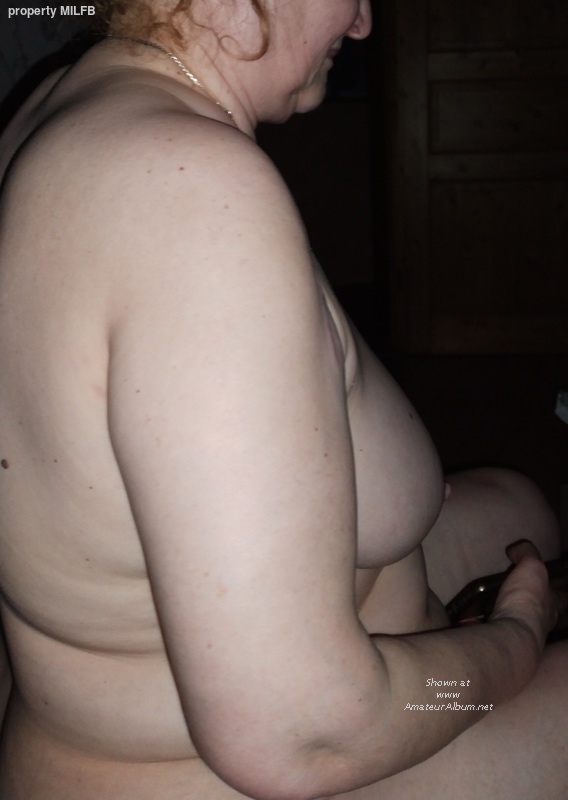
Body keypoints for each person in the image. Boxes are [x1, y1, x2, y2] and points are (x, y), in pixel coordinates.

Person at [0, 1, 566, 797]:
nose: (363, 22)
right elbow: (308, 734)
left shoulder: (56, 104)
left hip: (160, 696)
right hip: (235, 765)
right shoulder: (193, 198)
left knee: (518, 508)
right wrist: (509, 649)